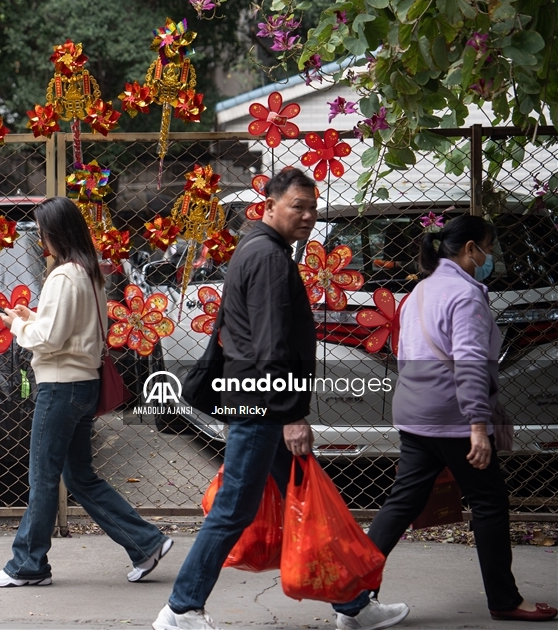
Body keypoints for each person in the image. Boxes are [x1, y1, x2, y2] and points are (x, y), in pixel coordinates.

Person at [153, 168, 409, 630]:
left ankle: (353, 606)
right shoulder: (269, 257)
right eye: (298, 206)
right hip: (263, 404)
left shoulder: (254, 248)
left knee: (308, 498)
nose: (308, 216)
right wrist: (291, 414)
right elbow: (272, 346)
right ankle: (181, 609)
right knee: (233, 509)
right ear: (270, 206)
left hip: (253, 399)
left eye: (312, 208)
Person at [328, 215, 557, 627]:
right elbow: (469, 363)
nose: (489, 256)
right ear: (471, 249)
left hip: (415, 412)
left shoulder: (419, 290)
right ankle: (505, 600)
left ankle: (354, 598)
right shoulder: (465, 296)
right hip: (452, 417)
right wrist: (476, 426)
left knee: (401, 504)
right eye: (488, 247)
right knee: (489, 504)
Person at [0, 196, 171, 587]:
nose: (40, 239)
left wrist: (17, 325)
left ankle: (28, 565)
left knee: (42, 478)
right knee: (80, 477)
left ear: (54, 232)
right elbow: (72, 327)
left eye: (41, 231)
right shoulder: (89, 273)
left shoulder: (61, 275)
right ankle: (146, 543)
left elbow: (50, 339)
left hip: (59, 386)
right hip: (83, 384)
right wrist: (33, 316)